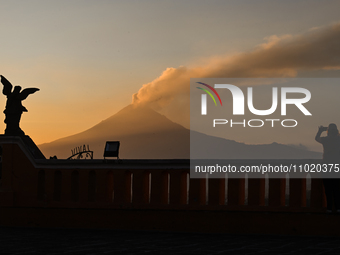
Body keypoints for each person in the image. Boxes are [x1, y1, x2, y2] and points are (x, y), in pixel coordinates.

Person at [315, 124, 340, 212]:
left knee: (328, 188)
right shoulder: (338, 139)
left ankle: (329, 207)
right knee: (337, 188)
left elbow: (317, 138)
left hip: (326, 166)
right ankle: (338, 207)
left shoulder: (325, 139)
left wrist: (321, 130)